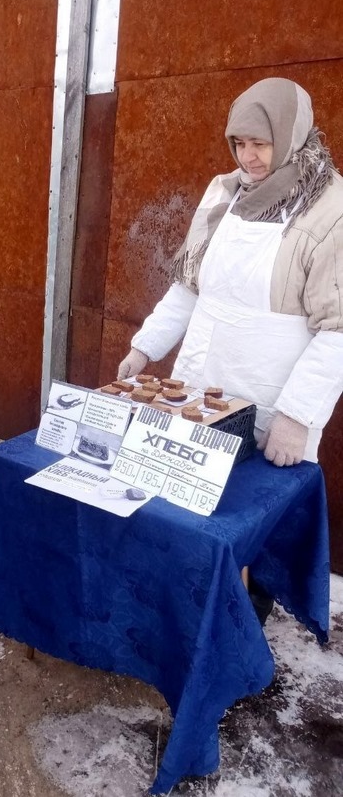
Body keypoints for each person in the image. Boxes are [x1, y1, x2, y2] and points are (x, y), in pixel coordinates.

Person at [117, 78, 343, 619]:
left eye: (261, 143)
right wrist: (144, 348)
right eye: (239, 143)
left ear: (291, 134)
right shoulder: (224, 194)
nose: (248, 157)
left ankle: (236, 642)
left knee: (247, 538)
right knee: (184, 519)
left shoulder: (329, 209)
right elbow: (188, 287)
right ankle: (176, 621)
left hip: (269, 408)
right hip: (201, 391)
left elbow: (337, 330)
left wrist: (296, 417)